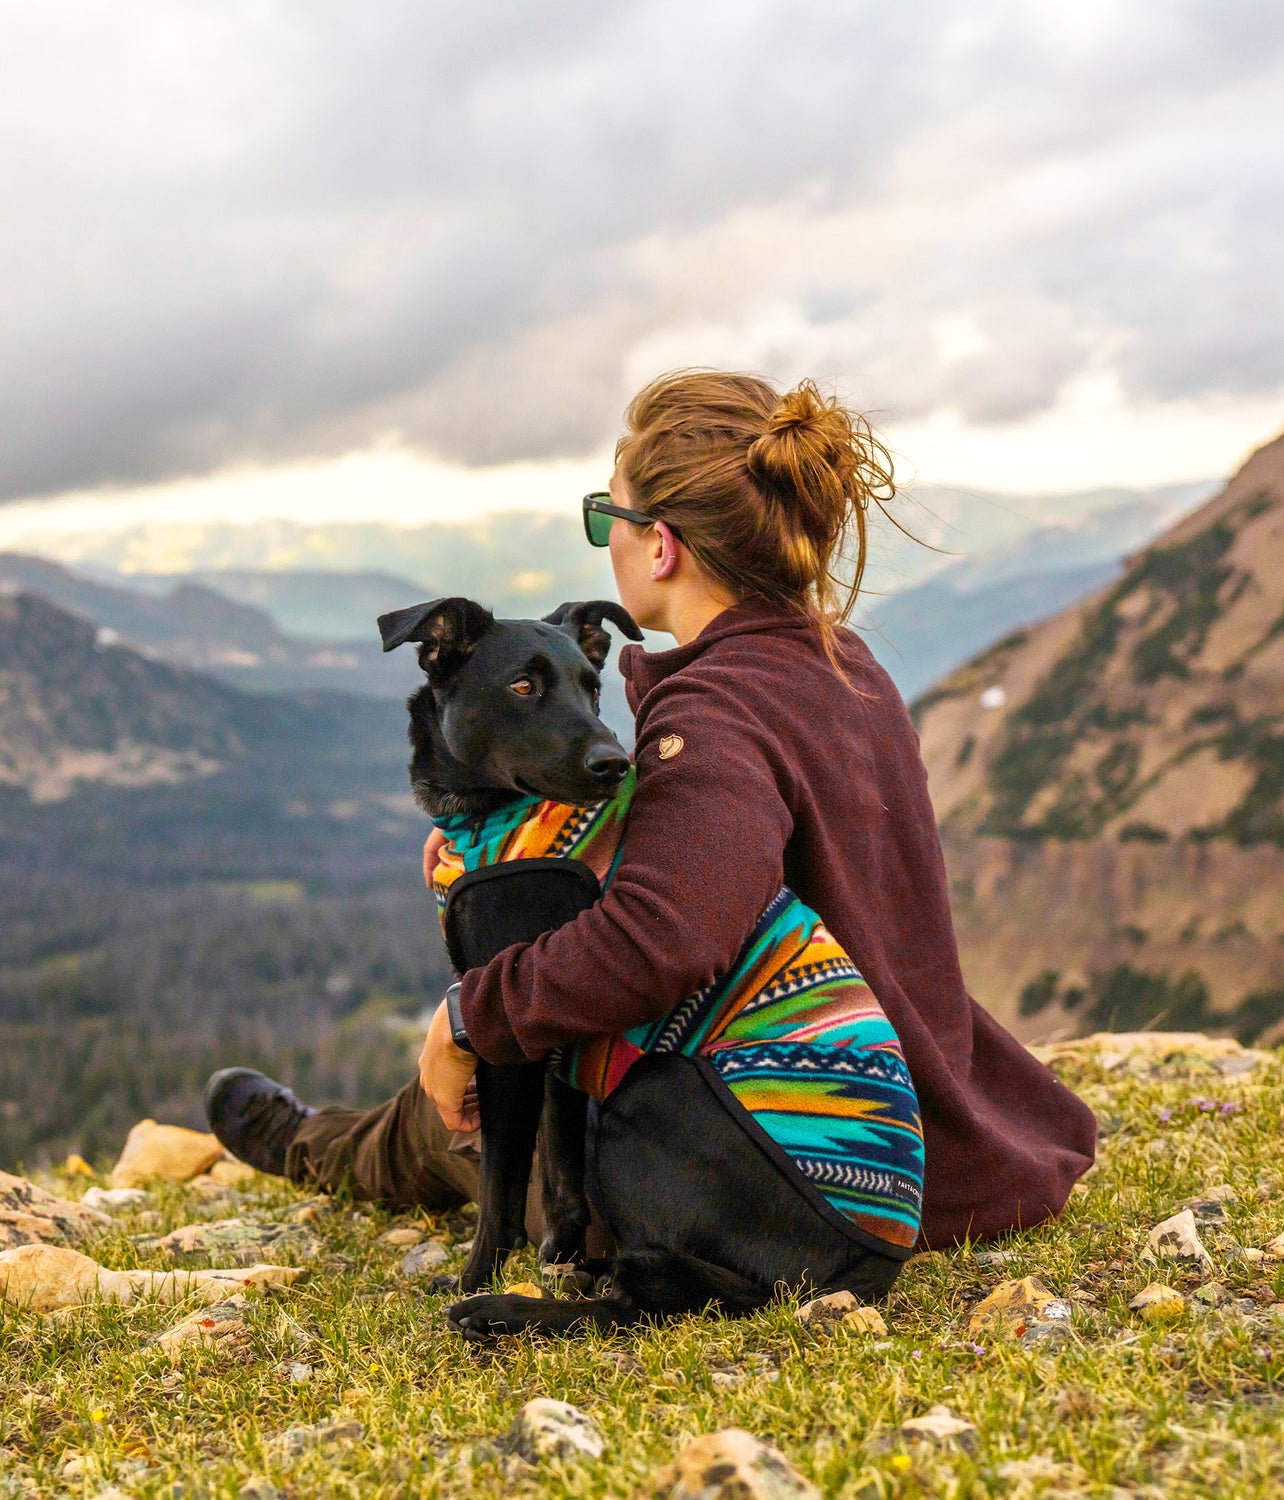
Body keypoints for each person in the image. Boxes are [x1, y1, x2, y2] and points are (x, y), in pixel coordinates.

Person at [205, 369, 1097, 1250]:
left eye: (608, 515)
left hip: (791, 1154)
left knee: (455, 1115)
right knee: (504, 1046)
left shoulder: (714, 707)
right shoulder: (842, 660)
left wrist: (466, 1015)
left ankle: (310, 1146)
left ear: (660, 545)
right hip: (922, 1103)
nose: (607, 541)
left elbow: (661, 938)